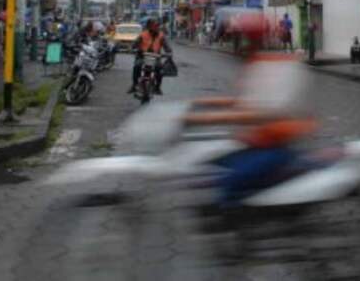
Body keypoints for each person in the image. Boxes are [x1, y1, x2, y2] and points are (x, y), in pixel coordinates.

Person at [184, 13, 316, 206]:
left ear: (254, 40)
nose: (238, 47)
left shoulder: (278, 68)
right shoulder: (257, 64)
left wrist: (207, 118)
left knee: (229, 188)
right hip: (253, 143)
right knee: (207, 166)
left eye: (242, 40)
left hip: (276, 146)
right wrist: (200, 103)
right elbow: (241, 102)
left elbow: (263, 111)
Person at [128, 18, 172, 95]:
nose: (156, 28)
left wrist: (169, 53)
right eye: (154, 26)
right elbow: (134, 44)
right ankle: (134, 85)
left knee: (159, 68)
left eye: (157, 26)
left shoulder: (161, 36)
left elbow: (167, 47)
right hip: (142, 56)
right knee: (137, 66)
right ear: (149, 26)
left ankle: (157, 87)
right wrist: (132, 48)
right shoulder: (143, 34)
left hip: (155, 57)